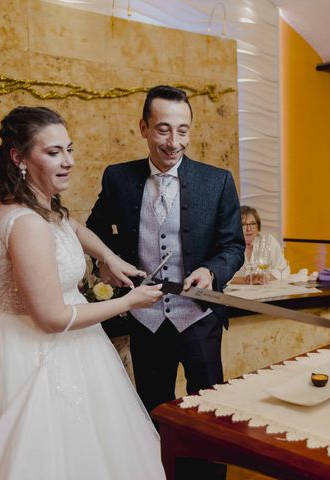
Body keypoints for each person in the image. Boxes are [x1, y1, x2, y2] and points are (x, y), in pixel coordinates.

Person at [0, 106, 165, 478]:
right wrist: (129, 302)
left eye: (69, 149)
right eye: (53, 152)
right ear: (19, 157)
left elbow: (72, 227)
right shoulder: (27, 225)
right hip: (35, 357)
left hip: (21, 342)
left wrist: (108, 256)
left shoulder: (35, 206)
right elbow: (52, 318)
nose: (68, 161)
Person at [86, 85, 245, 414]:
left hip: (198, 319)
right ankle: (158, 468)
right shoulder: (118, 178)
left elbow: (233, 246)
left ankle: (205, 469)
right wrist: (105, 262)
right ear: (143, 127)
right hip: (146, 319)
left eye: (182, 130)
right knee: (153, 411)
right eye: (163, 129)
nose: (174, 142)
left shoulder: (218, 182)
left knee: (209, 412)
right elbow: (93, 231)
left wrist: (211, 271)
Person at [234, 205, 288, 283]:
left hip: (265, 290)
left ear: (258, 226)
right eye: (243, 224)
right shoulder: (229, 247)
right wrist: (246, 280)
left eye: (252, 224)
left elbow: (283, 269)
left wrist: (266, 277)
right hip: (236, 292)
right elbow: (223, 277)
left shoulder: (269, 241)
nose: (249, 229)